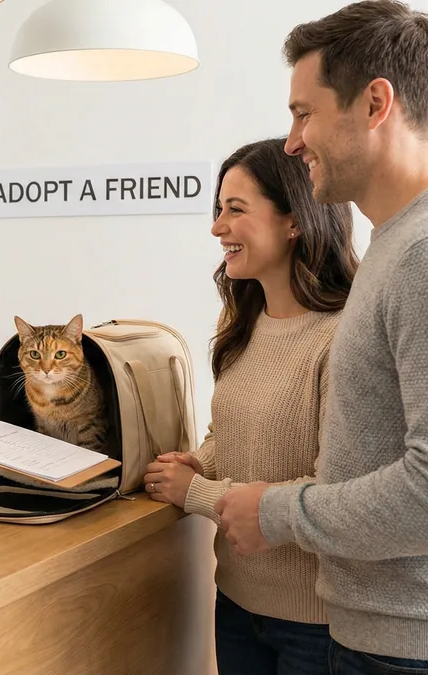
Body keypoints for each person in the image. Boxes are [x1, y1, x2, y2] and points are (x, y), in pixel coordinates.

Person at [214, 2, 428, 672]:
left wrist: (278, 511)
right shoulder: (404, 242)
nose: (291, 140)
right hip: (397, 645)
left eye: (304, 112)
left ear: (374, 103)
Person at [142, 137, 357, 674]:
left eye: (235, 210)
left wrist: (196, 492)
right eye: (219, 210)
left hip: (317, 626)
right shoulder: (241, 324)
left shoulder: (342, 339)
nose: (218, 228)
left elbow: (333, 491)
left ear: (296, 220)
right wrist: (201, 461)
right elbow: (229, 432)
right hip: (236, 605)